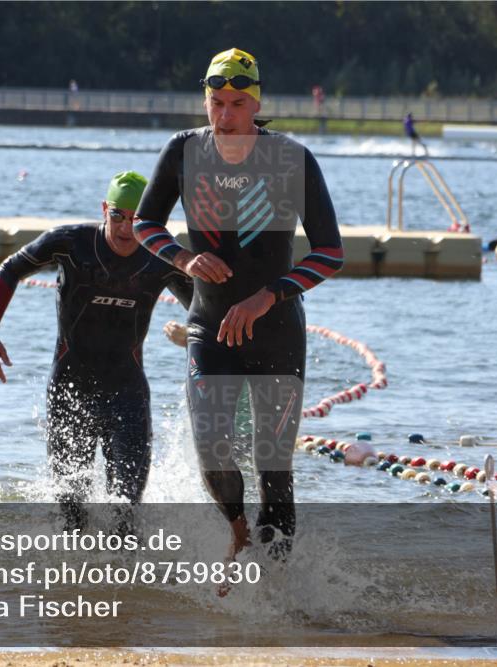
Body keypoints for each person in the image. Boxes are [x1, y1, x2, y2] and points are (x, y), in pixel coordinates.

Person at [133, 48, 343, 566]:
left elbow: (331, 252)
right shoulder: (182, 152)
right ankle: (236, 528)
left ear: (256, 103)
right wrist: (184, 260)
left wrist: (267, 295)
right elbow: (143, 225)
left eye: (236, 104)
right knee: (212, 446)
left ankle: (279, 589)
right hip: (209, 326)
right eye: (215, 103)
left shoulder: (291, 159)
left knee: (274, 469)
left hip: (276, 333)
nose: (224, 117)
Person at [0, 172, 193, 527]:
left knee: (126, 515)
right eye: (118, 216)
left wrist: (195, 335)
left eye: (137, 219)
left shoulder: (163, 256)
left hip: (128, 395)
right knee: (72, 517)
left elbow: (202, 312)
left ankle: (123, 578)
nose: (126, 228)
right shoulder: (71, 242)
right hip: (70, 391)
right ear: (104, 209)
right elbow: (10, 269)